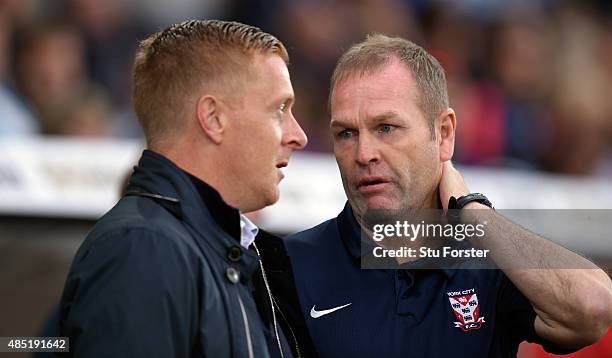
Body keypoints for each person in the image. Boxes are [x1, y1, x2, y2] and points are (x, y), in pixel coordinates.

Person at [276, 34, 612, 357]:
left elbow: (594, 307)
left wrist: (475, 214)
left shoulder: (489, 259)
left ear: (444, 134)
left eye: (386, 128)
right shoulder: (285, 266)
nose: (364, 153)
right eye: (346, 133)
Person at [58, 19, 307, 357]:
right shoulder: (144, 248)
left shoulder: (216, 249)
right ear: (213, 118)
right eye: (279, 109)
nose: (298, 136)